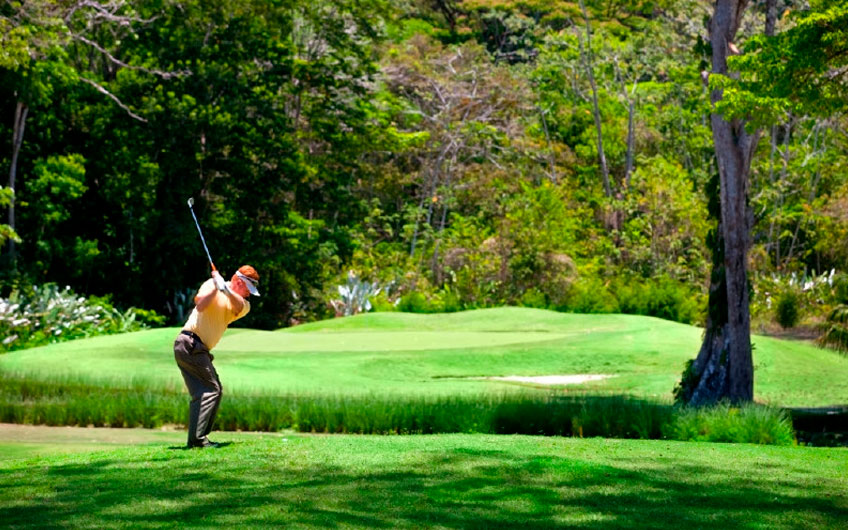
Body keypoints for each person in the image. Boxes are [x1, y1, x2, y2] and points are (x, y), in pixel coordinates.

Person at [173, 265, 260, 448]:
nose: (249, 294)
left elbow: (237, 306)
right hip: (189, 343)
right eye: (248, 289)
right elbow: (201, 305)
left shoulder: (244, 304)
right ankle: (197, 440)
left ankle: (198, 439)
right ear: (238, 281)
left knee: (212, 390)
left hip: (197, 348)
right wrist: (215, 287)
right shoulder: (211, 284)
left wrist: (226, 289)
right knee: (211, 390)